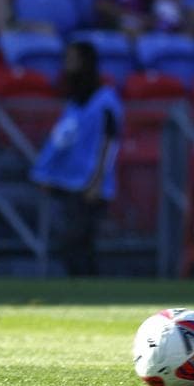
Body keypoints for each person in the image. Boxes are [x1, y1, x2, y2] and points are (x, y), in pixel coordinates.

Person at [30, 41, 123, 276]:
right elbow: (62, 139)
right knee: (74, 242)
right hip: (70, 183)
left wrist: (97, 181)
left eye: (73, 60)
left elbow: (109, 143)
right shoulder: (74, 103)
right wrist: (46, 172)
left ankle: (88, 288)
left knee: (78, 240)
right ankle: (82, 288)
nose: (68, 65)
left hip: (91, 184)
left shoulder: (105, 101)